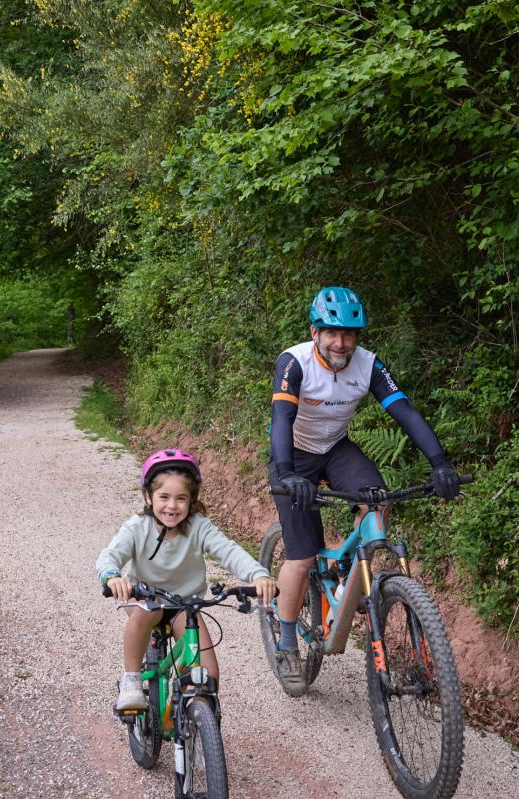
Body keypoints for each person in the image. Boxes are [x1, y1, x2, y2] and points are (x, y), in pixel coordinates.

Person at [268, 286, 461, 677]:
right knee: (302, 557)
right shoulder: (295, 363)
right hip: (295, 453)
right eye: (331, 333)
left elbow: (403, 411)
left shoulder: (369, 365)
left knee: (378, 502)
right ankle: (287, 641)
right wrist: (287, 473)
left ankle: (347, 576)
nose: (341, 343)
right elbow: (282, 421)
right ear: (314, 332)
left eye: (349, 334)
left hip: (336, 447)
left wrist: (440, 463)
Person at [97, 448, 279, 711]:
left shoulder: (198, 526)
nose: (172, 505)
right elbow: (110, 556)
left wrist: (259, 575)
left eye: (181, 498)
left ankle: (196, 724)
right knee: (145, 613)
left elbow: (229, 552)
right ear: (148, 497)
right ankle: (132, 681)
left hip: (185, 605)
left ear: (192, 500)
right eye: (164, 497)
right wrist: (112, 577)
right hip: (144, 599)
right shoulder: (137, 528)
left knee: (209, 677)